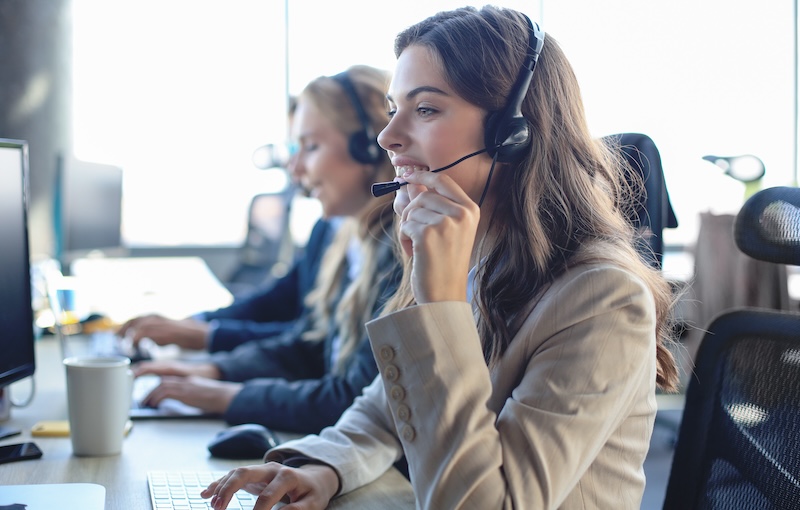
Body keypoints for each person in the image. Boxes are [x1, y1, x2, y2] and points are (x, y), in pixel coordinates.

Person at [200, 5, 681, 510]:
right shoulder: (475, 256)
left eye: (425, 109)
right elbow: (387, 406)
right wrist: (322, 467)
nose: (389, 137)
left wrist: (439, 308)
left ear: (511, 134)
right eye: (393, 109)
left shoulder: (602, 299)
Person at [132, 64, 402, 433]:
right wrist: (216, 371)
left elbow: (351, 397)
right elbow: (309, 344)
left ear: (368, 146)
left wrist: (223, 395)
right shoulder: (341, 237)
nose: (294, 167)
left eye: (310, 146)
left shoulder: (402, 251)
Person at [116, 97, 334, 355]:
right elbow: (275, 303)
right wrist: (193, 324)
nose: (293, 165)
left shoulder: (375, 243)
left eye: (309, 146)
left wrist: (206, 339)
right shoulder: (326, 228)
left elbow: (313, 343)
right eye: (292, 147)